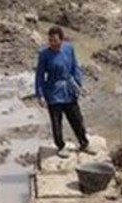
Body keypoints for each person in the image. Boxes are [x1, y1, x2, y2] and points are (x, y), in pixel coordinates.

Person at [34, 25, 89, 157]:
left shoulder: (69, 49)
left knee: (77, 119)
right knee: (56, 121)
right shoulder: (44, 54)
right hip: (53, 91)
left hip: (69, 89)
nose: (52, 43)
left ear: (61, 40)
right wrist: (40, 94)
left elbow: (75, 68)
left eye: (55, 40)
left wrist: (80, 85)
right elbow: (40, 75)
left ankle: (83, 143)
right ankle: (60, 146)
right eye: (50, 40)